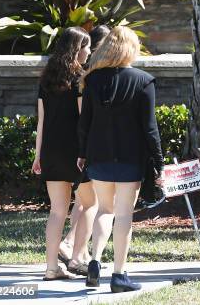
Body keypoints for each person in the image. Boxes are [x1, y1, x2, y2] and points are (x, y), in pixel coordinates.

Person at [77, 26, 164, 292]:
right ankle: (118, 275)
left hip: (99, 154)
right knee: (124, 214)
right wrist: (158, 160)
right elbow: (150, 127)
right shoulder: (143, 80)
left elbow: (85, 123)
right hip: (130, 156)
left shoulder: (92, 80)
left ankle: (93, 260)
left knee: (105, 209)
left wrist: (82, 153)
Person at [32, 27, 96, 280]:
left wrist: (38, 156)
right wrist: (87, 151)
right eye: (87, 47)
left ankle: (51, 268)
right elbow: (84, 120)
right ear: (77, 49)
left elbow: (42, 122)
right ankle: (79, 258)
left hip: (50, 151)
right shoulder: (81, 78)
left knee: (57, 211)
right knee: (92, 204)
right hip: (76, 152)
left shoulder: (46, 79)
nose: (89, 51)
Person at [59, 25, 111, 272]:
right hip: (85, 147)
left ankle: (75, 247)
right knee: (91, 202)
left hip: (74, 143)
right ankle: (75, 249)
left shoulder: (72, 74)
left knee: (83, 201)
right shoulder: (88, 77)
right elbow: (84, 117)